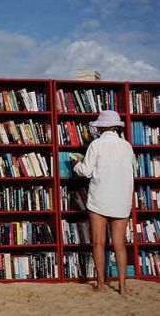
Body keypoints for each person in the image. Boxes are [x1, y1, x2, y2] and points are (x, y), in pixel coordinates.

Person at [73, 110, 134, 295]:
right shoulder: (127, 146)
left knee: (98, 243)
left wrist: (77, 164)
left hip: (100, 197)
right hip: (121, 198)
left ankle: (100, 284)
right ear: (116, 127)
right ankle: (122, 286)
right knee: (119, 244)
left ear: (99, 127)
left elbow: (86, 170)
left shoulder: (96, 145)